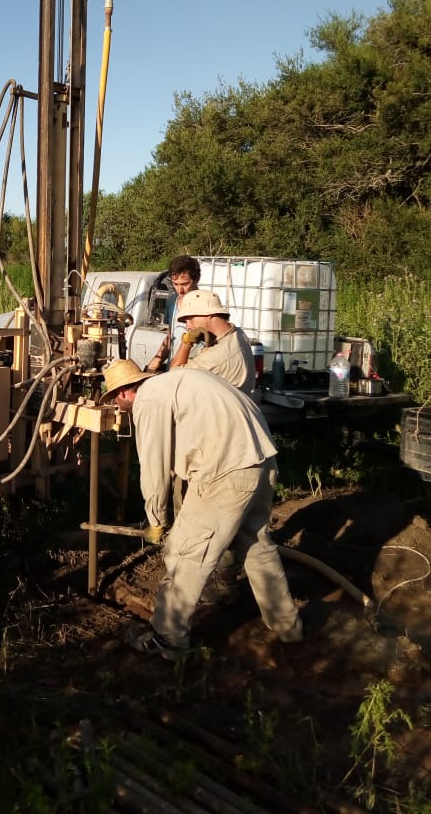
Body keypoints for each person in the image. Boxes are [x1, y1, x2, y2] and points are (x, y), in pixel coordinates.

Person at [100, 360, 302, 659]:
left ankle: (167, 639)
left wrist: (156, 519)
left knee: (185, 554)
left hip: (225, 472)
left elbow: (154, 466)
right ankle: (287, 625)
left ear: (124, 392)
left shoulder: (148, 398)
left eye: (115, 400)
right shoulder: (181, 380)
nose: (118, 407)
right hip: (261, 460)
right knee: (256, 545)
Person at [170, 289, 255, 395]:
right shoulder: (238, 334)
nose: (188, 326)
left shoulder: (215, 357)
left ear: (209, 314)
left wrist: (186, 343)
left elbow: (172, 377)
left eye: (190, 318)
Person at [146, 254, 200, 372]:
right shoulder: (172, 302)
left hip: (194, 371)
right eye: (176, 284)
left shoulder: (206, 304)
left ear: (196, 279)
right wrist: (153, 365)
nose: (180, 290)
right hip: (173, 370)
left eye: (185, 284)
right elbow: (171, 337)